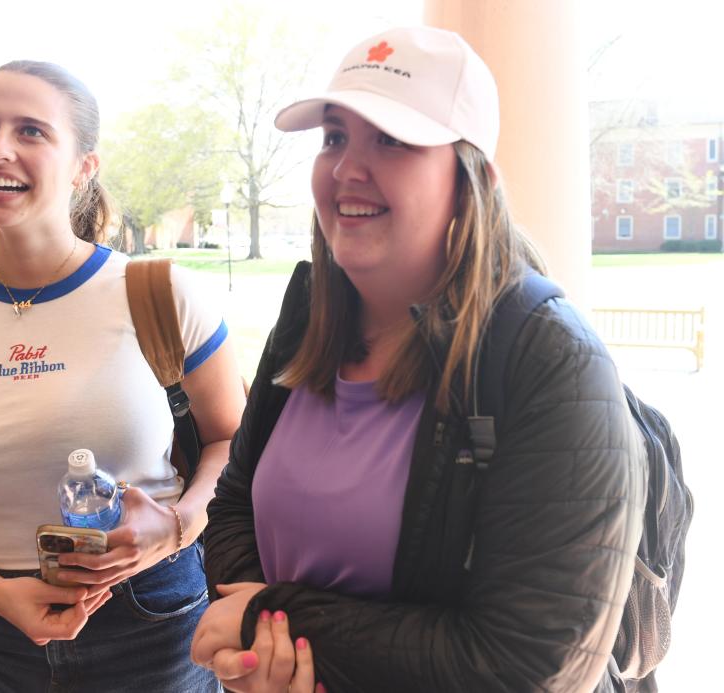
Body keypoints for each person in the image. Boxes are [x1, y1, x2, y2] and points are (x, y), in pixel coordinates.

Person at [191, 26, 647, 693]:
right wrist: (270, 650)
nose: (347, 167)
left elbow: (528, 660)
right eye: (335, 137)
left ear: (472, 181)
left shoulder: (551, 359)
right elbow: (233, 503)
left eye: (393, 139)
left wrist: (273, 620)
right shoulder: (306, 316)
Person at [0, 60, 244, 692]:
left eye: (31, 131)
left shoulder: (162, 294)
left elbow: (236, 448)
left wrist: (175, 528)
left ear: (83, 167)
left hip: (155, 627)